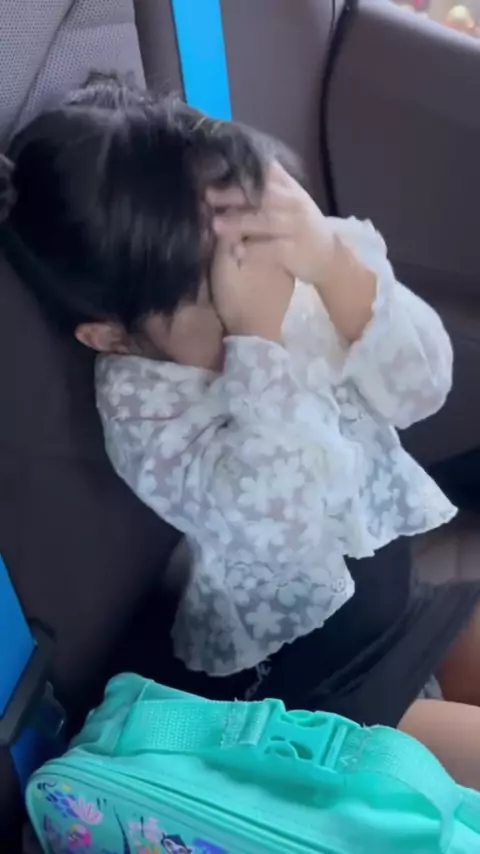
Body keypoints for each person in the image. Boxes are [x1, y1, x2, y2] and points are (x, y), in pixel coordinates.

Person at [2, 73, 480, 790]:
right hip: (317, 685)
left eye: (256, 260)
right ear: (112, 336)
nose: (268, 293)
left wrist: (334, 266)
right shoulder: (146, 410)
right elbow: (285, 522)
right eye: (221, 307)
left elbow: (423, 386)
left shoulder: (275, 264)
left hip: (396, 599)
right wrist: (260, 338)